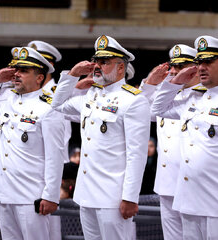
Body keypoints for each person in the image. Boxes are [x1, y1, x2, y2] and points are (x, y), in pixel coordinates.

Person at [152, 35, 218, 239]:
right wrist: (175, 82)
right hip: (189, 202)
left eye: (208, 62)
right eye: (199, 62)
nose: (201, 67)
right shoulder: (194, 100)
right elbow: (158, 108)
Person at [52, 35, 150, 240]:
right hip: (87, 193)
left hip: (113, 197)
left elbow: (137, 154)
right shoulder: (91, 95)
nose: (97, 66)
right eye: (96, 61)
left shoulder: (133, 101)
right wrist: (72, 75)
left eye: (104, 62)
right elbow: (57, 104)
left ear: (121, 68)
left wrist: (130, 197)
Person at [0, 46, 65, 240]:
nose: (16, 74)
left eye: (23, 71)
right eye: (16, 70)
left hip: (31, 196)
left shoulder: (49, 108)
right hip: (5, 193)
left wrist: (50, 195)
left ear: (39, 77)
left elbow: (55, 157)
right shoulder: (8, 102)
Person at [147, 44, 199, 239]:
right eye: (174, 67)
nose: (176, 72)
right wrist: (151, 84)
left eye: (182, 66)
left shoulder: (203, 95)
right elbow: (143, 111)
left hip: (192, 183)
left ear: (195, 67)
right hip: (166, 181)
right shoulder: (165, 96)